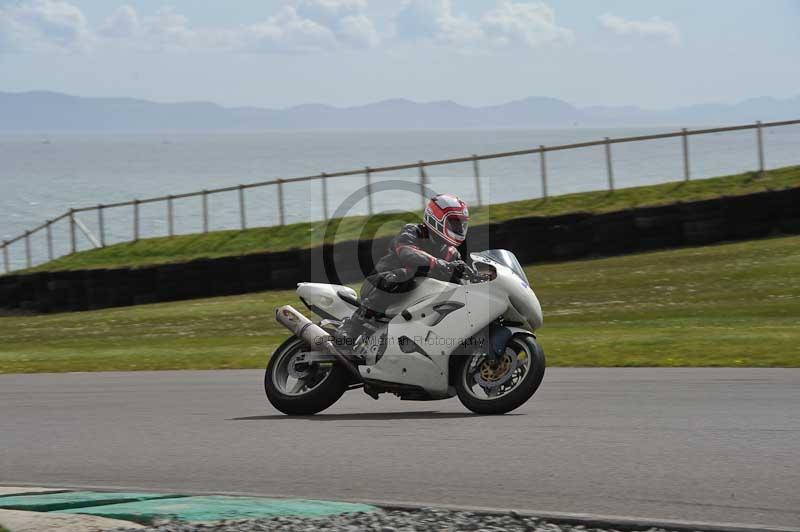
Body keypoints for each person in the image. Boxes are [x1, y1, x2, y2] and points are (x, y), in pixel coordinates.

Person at [335, 193, 470, 345]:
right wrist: (438, 263)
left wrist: (473, 276)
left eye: (461, 224)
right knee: (406, 275)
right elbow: (408, 253)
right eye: (455, 223)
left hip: (412, 298)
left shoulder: (451, 253)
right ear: (436, 218)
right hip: (379, 283)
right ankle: (352, 326)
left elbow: (461, 279)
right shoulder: (413, 231)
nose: (459, 228)